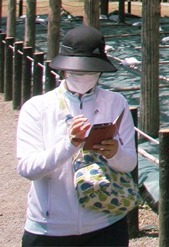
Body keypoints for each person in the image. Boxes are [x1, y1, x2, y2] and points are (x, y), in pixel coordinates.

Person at [15, 25, 137, 246]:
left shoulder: (115, 103)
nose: (84, 77)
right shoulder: (37, 108)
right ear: (64, 70)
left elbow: (129, 163)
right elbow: (27, 169)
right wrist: (69, 145)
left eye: (91, 72)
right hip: (49, 229)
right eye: (78, 72)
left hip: (106, 223)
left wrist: (115, 153)